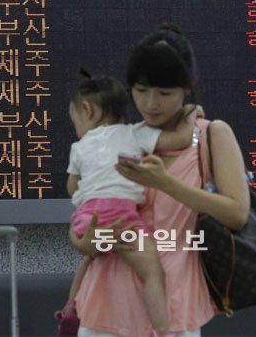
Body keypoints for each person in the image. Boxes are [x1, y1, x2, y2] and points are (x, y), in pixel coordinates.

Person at [69, 24, 251, 337]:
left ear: (188, 87)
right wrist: (84, 241)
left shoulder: (211, 134)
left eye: (164, 93)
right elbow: (85, 212)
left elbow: (237, 213)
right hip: (105, 304)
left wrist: (166, 183)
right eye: (140, 91)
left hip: (172, 304)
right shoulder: (117, 137)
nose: (151, 103)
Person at [57, 70, 198, 337]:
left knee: (89, 260)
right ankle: (162, 330)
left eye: (73, 117)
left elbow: (72, 187)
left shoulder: (79, 147)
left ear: (87, 110)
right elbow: (180, 139)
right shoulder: (135, 134)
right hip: (123, 219)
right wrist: (191, 114)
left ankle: (70, 311)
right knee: (152, 273)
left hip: (88, 220)